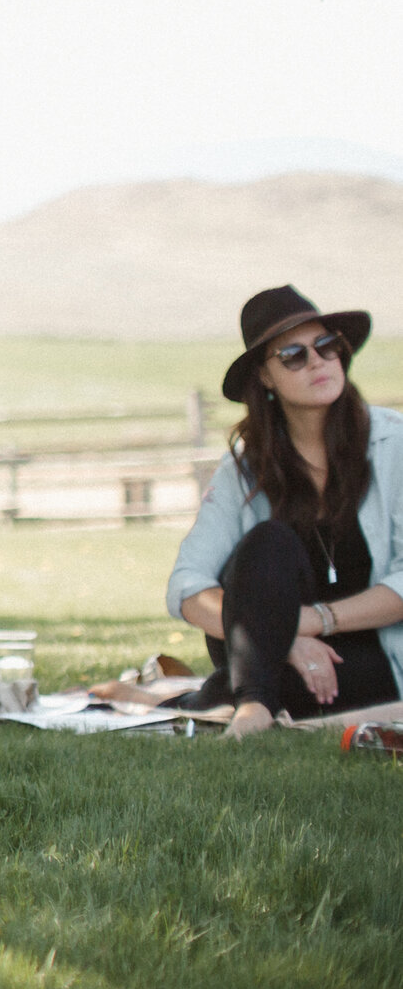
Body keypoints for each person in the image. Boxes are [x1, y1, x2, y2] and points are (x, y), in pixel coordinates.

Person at [168, 286, 403, 738]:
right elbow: (188, 587)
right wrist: (282, 639)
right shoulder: (244, 466)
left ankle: (240, 697)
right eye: (293, 354)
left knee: (248, 686)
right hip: (278, 656)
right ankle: (254, 705)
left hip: (376, 655)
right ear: (266, 378)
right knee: (268, 542)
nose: (317, 361)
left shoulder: (392, 445)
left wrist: (311, 620)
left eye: (327, 345)